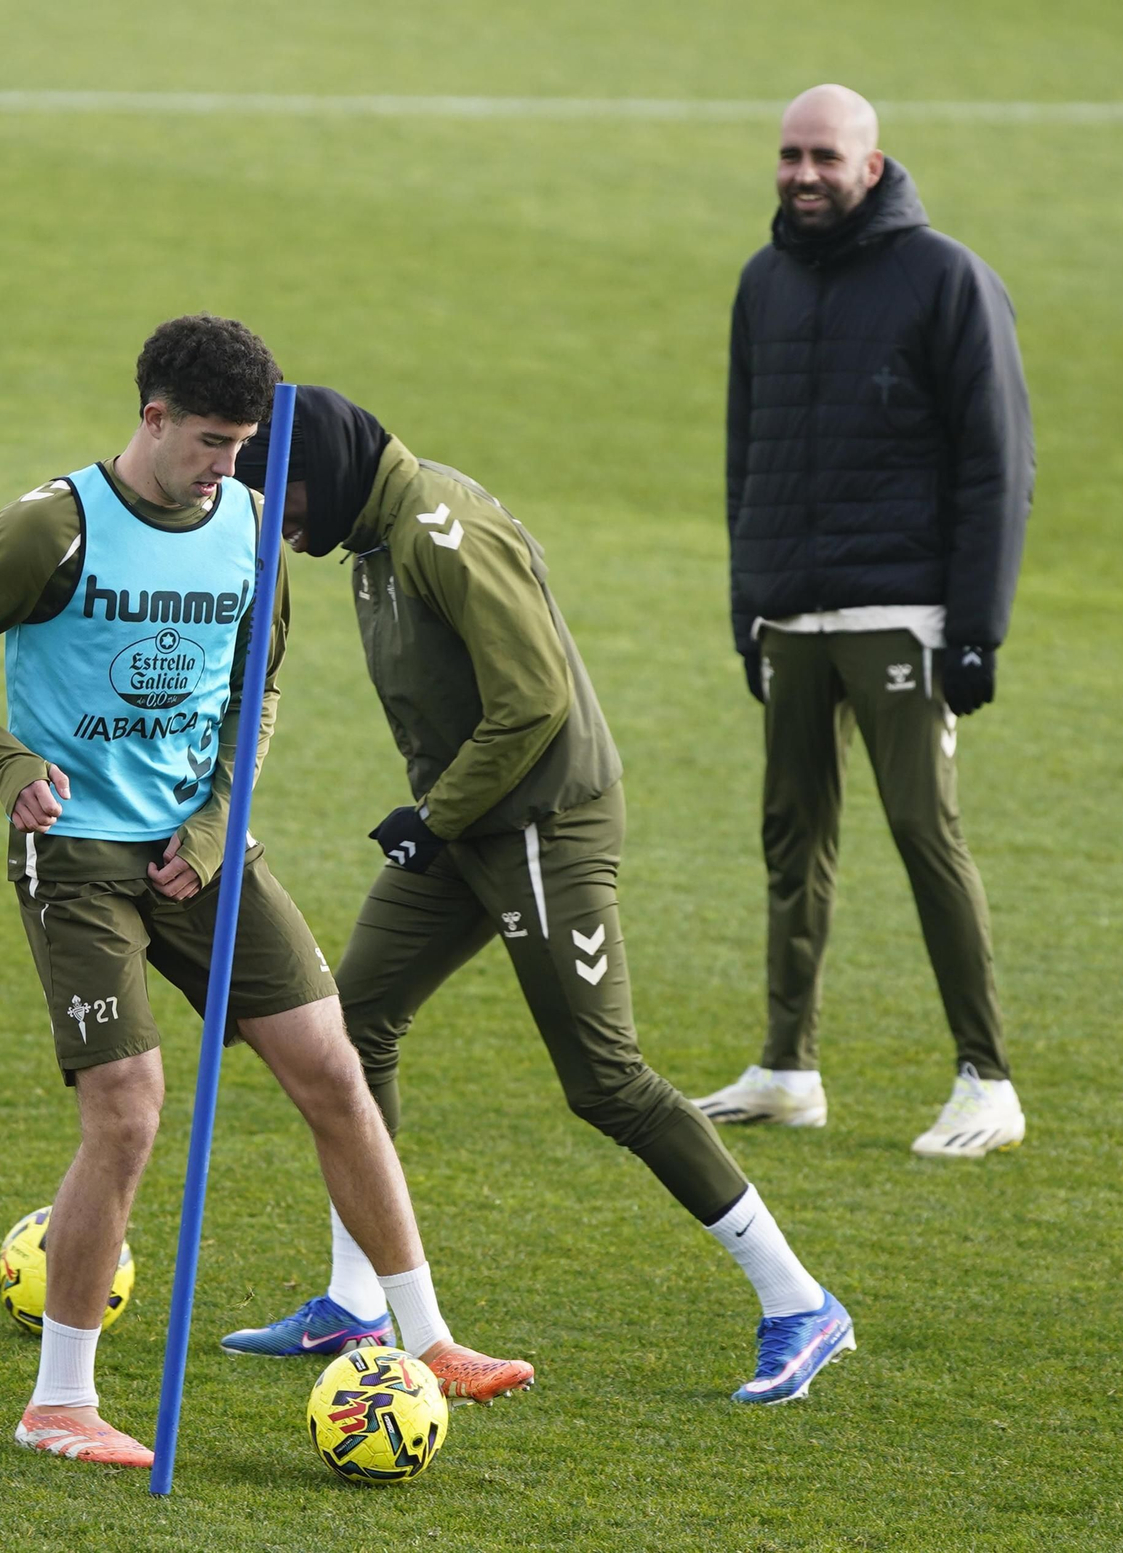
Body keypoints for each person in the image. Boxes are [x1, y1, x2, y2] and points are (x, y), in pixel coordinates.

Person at [0, 316, 531, 1469]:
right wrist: (6, 763)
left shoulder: (247, 524)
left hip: (202, 849)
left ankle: (427, 1335)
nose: (234, 468)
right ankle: (59, 1402)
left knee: (334, 1067)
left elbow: (258, 685)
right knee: (128, 1106)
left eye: (246, 445)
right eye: (215, 442)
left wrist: (222, 814)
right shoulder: (56, 524)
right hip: (77, 848)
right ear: (154, 418)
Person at [216, 386, 855, 1406]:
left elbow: (534, 699)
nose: (280, 523)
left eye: (280, 495)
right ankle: (357, 1300)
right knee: (352, 1025)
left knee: (605, 1078)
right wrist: (441, 816)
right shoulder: (372, 540)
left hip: (541, 826)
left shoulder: (441, 530)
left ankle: (799, 1302)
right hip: (467, 823)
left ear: (327, 467)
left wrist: (435, 814)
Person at [689, 86, 1035, 1158]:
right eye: (789, 154)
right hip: (793, 617)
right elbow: (747, 453)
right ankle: (787, 1067)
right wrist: (750, 608)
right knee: (792, 841)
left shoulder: (944, 278)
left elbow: (997, 464)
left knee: (924, 837)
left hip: (903, 616)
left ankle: (988, 1079)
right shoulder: (764, 281)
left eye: (823, 156)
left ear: (871, 165)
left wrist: (974, 629)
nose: (802, 174)